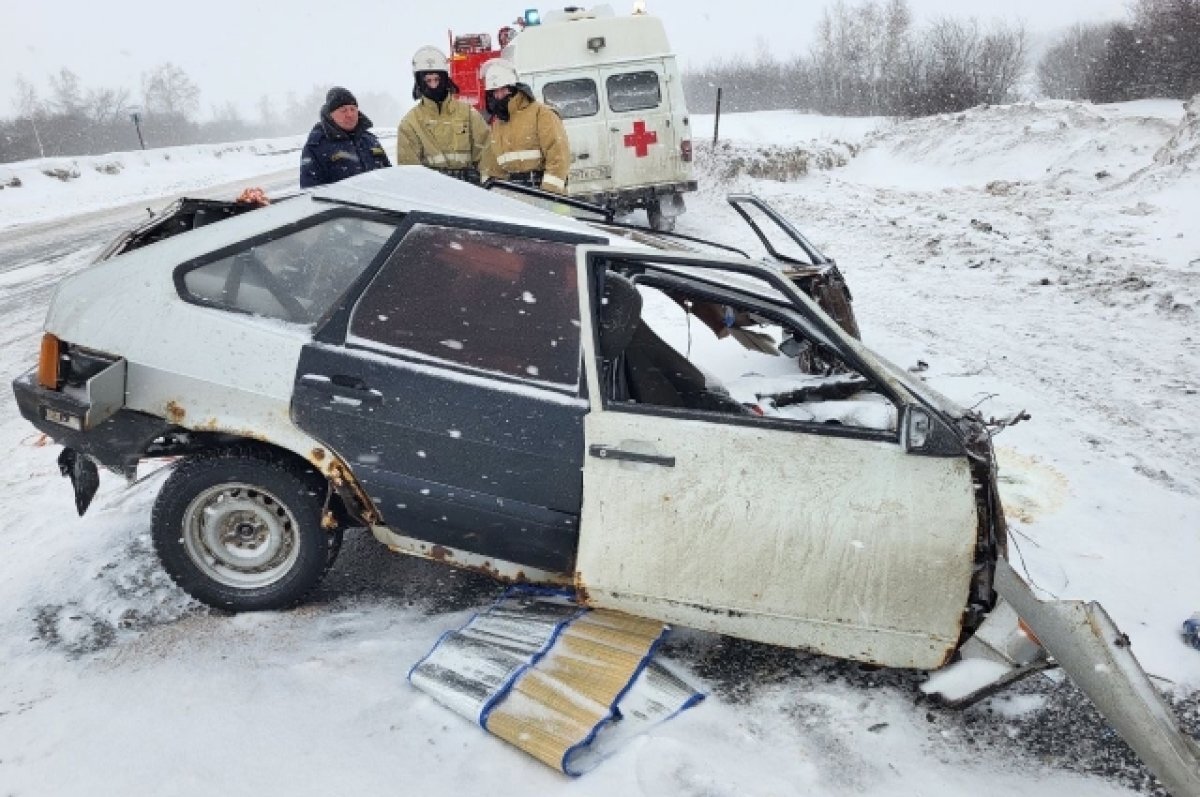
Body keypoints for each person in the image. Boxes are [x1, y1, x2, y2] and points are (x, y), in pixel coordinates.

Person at [396, 46, 490, 182]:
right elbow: (410, 174)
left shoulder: (469, 115)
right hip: (433, 199)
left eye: (437, 79)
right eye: (428, 81)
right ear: (419, 83)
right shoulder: (410, 124)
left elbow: (486, 155)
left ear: (445, 79)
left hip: (471, 195)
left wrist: (484, 184)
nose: (433, 86)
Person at [477, 59, 570, 194]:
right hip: (515, 197)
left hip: (547, 196)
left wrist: (549, 194)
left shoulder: (541, 114)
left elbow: (558, 156)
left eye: (503, 90)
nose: (498, 96)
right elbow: (493, 167)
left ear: (513, 89)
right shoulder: (497, 125)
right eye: (494, 92)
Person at [299, 87, 391, 188]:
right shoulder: (315, 147)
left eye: (353, 109)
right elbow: (310, 192)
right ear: (330, 114)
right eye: (343, 110)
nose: (350, 114)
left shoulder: (370, 141)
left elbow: (390, 176)